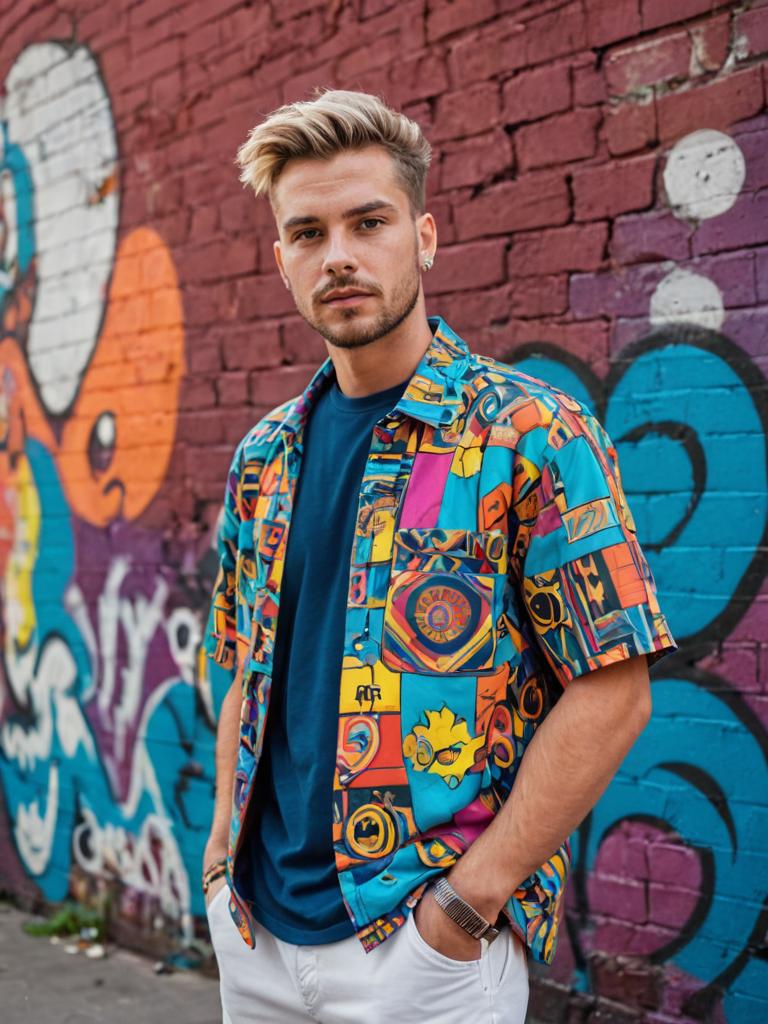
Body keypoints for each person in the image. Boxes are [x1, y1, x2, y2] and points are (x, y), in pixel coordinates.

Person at [201, 89, 677, 1024]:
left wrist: (467, 906)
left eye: (367, 222)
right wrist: (220, 858)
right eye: (307, 234)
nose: (337, 255)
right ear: (281, 262)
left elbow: (614, 689)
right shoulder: (264, 457)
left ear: (423, 237)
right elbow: (243, 670)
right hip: (256, 936)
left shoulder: (526, 433)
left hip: (419, 952)